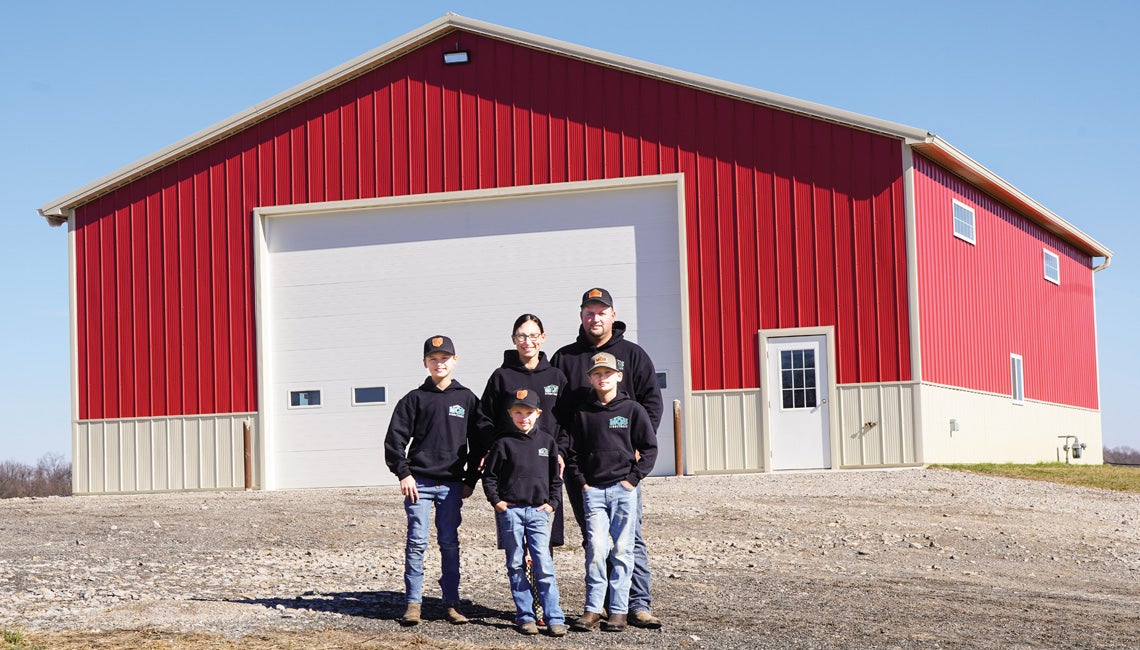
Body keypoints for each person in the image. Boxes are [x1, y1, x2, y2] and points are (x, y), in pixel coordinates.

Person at [551, 287, 664, 628]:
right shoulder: (565, 359)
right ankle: (599, 605)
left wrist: (639, 445)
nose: (595, 318)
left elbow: (651, 404)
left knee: (631, 539)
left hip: (623, 469)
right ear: (582, 316)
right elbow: (555, 412)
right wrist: (558, 452)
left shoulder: (634, 355)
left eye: (601, 312)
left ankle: (637, 604)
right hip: (582, 471)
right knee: (595, 538)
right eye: (589, 312)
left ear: (613, 315)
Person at [383, 335, 488, 626]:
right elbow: (394, 440)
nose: (439, 363)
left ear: (455, 360)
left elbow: (481, 442)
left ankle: (451, 603)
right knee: (416, 543)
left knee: (449, 543)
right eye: (433, 358)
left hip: (452, 485)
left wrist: (471, 480)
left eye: (444, 358)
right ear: (425, 363)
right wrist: (404, 473)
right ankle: (413, 604)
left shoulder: (466, 398)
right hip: (420, 484)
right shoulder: (414, 399)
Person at [563, 352, 657, 632]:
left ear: (618, 376)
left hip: (623, 490)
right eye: (597, 374)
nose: (602, 378)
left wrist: (632, 479)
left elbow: (650, 449)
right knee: (596, 548)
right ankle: (593, 609)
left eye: (607, 373)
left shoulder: (632, 410)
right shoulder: (583, 413)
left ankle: (619, 611)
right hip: (593, 492)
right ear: (590, 378)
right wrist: (582, 482)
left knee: (624, 549)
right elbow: (572, 452)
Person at [481, 388, 568, 637]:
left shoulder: (547, 442)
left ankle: (554, 617)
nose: (523, 417)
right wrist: (497, 503)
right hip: (512, 513)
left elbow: (555, 478)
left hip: (540, 512)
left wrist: (552, 503)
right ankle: (526, 616)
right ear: (510, 414)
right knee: (516, 563)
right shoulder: (503, 443)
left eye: (528, 412)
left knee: (544, 564)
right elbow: (490, 477)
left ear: (538, 413)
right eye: (518, 412)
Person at [479, 314, 569, 546]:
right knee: (515, 546)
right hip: (511, 472)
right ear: (513, 339)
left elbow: (568, 421)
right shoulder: (502, 377)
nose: (527, 341)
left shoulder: (556, 377)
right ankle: (519, 583)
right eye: (521, 336)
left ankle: (542, 582)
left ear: (543, 338)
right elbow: (484, 418)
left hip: (545, 469)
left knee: (543, 543)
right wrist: (494, 449)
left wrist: (561, 452)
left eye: (533, 335)